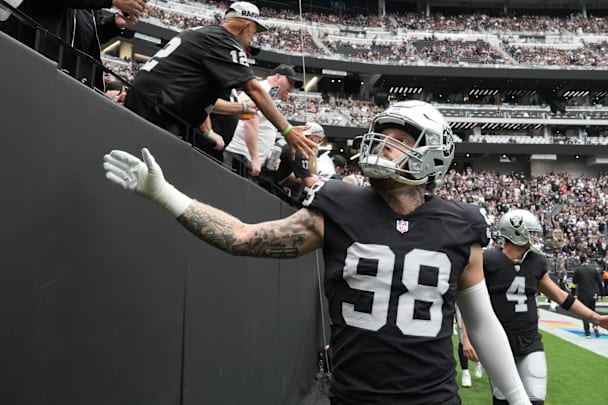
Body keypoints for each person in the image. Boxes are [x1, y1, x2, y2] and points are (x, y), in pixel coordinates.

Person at [102, 100, 532, 404]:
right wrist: (165, 194)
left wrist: (516, 399)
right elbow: (242, 238)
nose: (384, 147)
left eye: (399, 139)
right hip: (354, 396)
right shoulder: (339, 205)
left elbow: (482, 321)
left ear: (434, 154)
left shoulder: (461, 224)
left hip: (432, 398)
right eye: (381, 137)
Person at [123, 2, 314, 160]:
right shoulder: (223, 41)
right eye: (254, 32)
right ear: (247, 26)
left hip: (153, 104)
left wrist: (243, 109)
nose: (251, 39)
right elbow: (253, 89)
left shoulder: (208, 34)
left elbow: (203, 98)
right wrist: (287, 129)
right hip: (156, 111)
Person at [483, 209, 608, 404]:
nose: (534, 238)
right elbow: (471, 301)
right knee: (503, 399)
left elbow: (560, 296)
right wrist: (468, 337)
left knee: (536, 396)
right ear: (516, 232)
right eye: (530, 233)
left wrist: (595, 318)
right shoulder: (487, 260)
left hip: (530, 339)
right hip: (499, 341)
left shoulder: (536, 261)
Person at [1, 0, 145, 89]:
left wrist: (113, 24)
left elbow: (85, 36)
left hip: (72, 85)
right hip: (29, 73)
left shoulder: (88, 8)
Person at [223, 64, 303, 176]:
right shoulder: (261, 90)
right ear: (278, 77)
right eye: (290, 82)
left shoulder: (269, 94)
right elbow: (250, 123)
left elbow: (262, 126)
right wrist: (255, 158)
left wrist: (267, 155)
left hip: (247, 158)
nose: (292, 87)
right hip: (240, 155)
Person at [271, 122, 325, 203]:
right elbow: (309, 182)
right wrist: (324, 181)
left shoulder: (286, 141)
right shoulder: (298, 150)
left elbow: (286, 173)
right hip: (267, 184)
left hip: (266, 179)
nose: (318, 144)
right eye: (319, 140)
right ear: (312, 137)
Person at [573, 254, 605, 338]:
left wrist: (572, 295)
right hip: (593, 294)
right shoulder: (593, 269)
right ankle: (595, 326)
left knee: (584, 313)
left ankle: (587, 333)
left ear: (580, 260)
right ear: (587, 259)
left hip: (583, 294)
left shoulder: (578, 270)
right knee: (593, 311)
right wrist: (602, 294)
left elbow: (573, 284)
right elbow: (600, 283)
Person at [455, 306, 483, 388]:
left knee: (478, 335)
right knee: (462, 340)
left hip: (477, 300)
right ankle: (465, 373)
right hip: (461, 301)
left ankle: (477, 361)